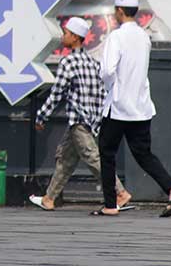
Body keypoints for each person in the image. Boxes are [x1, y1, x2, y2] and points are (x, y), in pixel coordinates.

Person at [93, 0, 171, 217]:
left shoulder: (116, 37)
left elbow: (107, 70)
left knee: (106, 152)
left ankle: (110, 204)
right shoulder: (144, 36)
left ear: (119, 11)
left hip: (118, 106)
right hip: (141, 106)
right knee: (143, 154)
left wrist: (110, 87)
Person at [28, 17, 131, 212]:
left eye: (66, 33)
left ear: (75, 37)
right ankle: (49, 198)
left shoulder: (68, 62)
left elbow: (57, 92)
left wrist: (41, 116)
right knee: (65, 159)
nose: (63, 36)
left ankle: (120, 192)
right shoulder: (93, 62)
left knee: (93, 158)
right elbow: (102, 92)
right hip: (91, 120)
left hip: (78, 120)